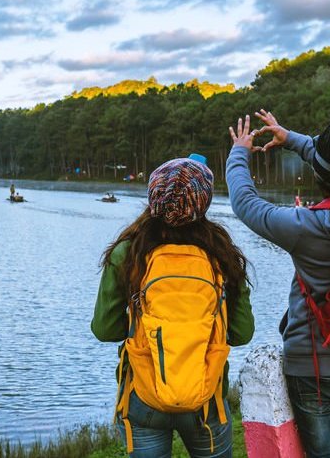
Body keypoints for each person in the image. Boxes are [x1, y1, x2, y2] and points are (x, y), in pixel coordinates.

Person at [226, 110, 330, 458]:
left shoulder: (309, 226)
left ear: (321, 174)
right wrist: (295, 140)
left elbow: (245, 202)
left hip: (315, 367)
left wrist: (239, 152)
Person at [92, 156, 255, 458]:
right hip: (207, 395)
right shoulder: (221, 254)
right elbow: (242, 333)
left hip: (143, 393)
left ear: (153, 197)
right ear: (204, 202)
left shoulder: (128, 253)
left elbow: (105, 330)